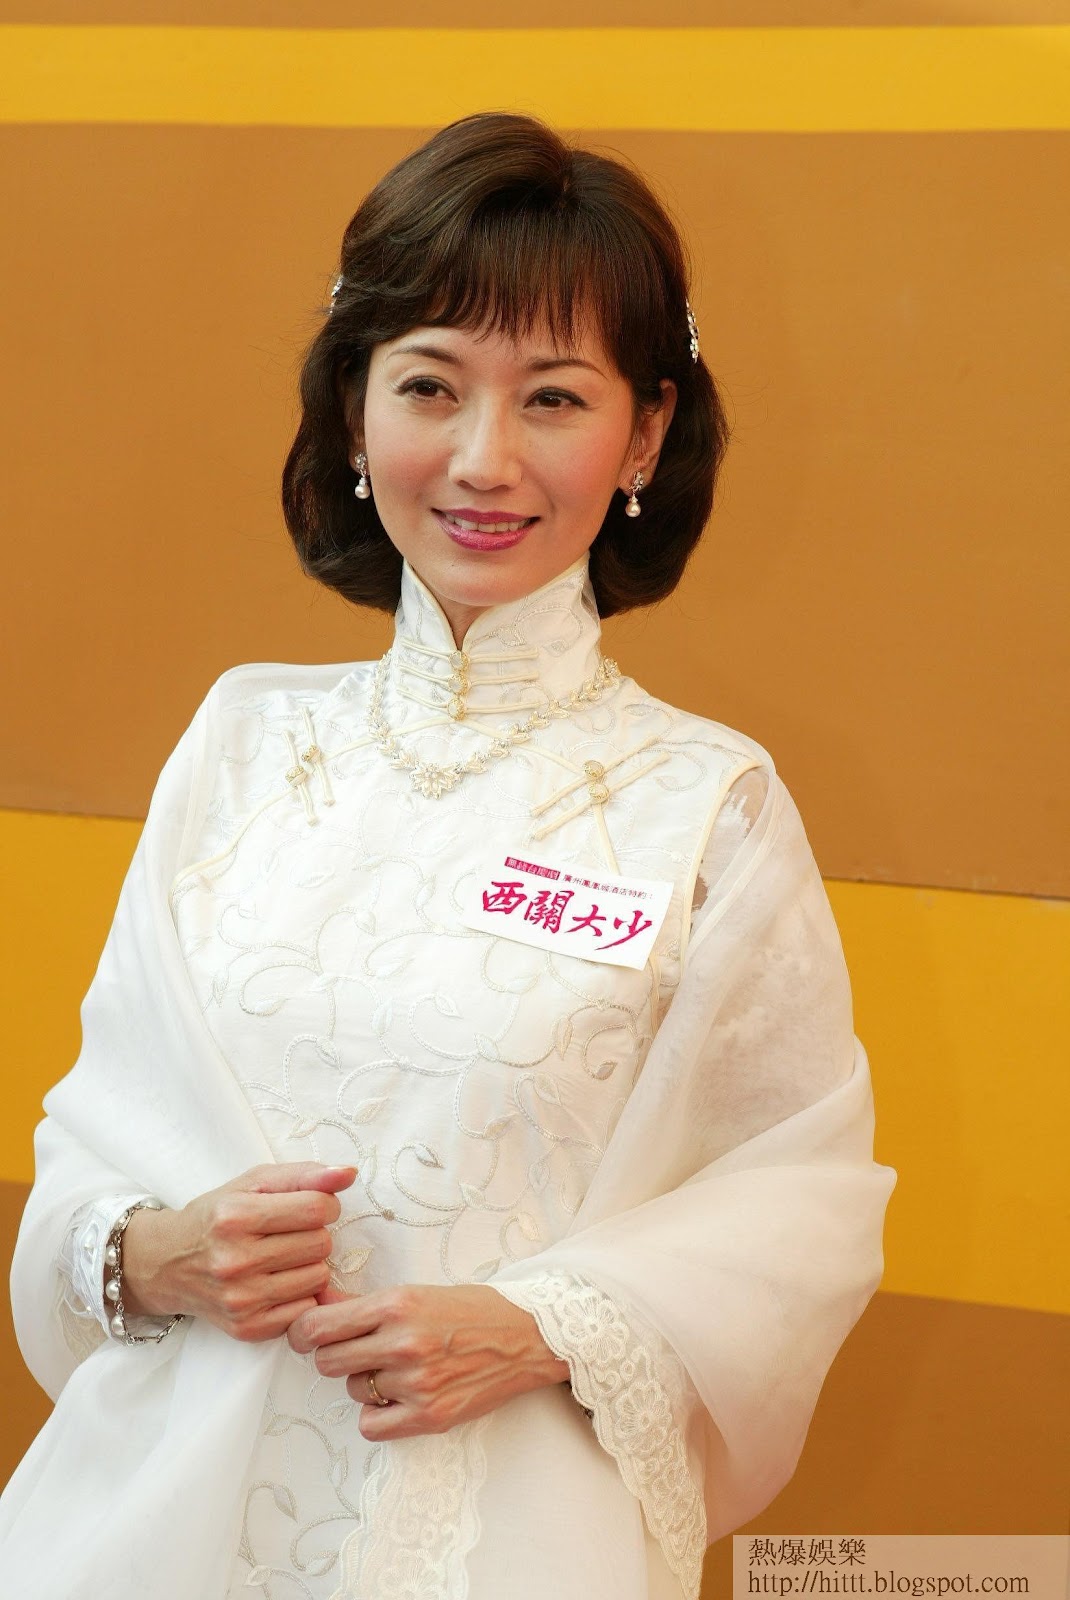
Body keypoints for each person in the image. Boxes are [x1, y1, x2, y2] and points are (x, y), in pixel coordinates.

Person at [1, 112, 895, 1600]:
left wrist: (542, 1325)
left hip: (504, 1536)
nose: (485, 460)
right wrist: (154, 1252)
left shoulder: (707, 805)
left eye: (554, 397)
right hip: (148, 1521)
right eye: (429, 385)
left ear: (645, 435)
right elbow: (94, 1143)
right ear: (353, 414)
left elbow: (793, 1203)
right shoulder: (241, 743)